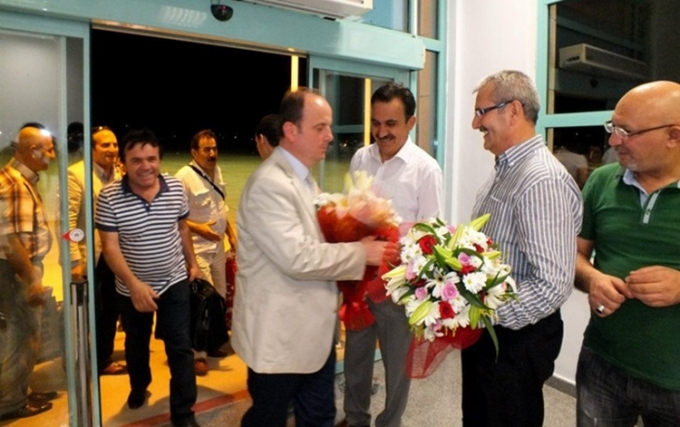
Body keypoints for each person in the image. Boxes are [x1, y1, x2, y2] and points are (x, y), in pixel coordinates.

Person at [232, 88, 389, 427]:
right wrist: (360, 252)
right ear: (291, 131)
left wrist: (356, 221)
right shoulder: (269, 184)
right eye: (320, 127)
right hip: (280, 340)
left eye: (329, 127)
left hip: (312, 337)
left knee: (318, 417)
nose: (330, 136)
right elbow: (297, 257)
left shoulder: (303, 180)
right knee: (268, 418)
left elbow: (319, 232)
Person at [463, 70, 582, 427]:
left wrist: (485, 313)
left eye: (481, 112)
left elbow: (552, 284)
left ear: (513, 110)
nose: (475, 123)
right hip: (491, 330)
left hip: (514, 340)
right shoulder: (506, 168)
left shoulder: (540, 179)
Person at [574, 81, 680, 427]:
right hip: (602, 363)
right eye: (613, 128)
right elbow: (575, 255)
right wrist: (593, 279)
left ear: (674, 135)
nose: (613, 141)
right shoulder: (602, 181)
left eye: (627, 132)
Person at [338, 83, 443, 427]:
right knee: (355, 360)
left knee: (398, 368)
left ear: (411, 122)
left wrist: (401, 248)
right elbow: (351, 210)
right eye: (375, 123)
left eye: (391, 124)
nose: (381, 132)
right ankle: (355, 418)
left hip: (398, 289)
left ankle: (389, 422)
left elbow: (431, 235)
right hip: (360, 281)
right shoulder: (360, 158)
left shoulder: (426, 169)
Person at [95, 128, 202, 427]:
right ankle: (139, 385)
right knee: (136, 343)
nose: (146, 166)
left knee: (180, 346)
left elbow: (182, 228)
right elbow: (110, 247)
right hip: (131, 286)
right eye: (137, 160)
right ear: (123, 163)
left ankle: (183, 413)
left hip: (174, 280)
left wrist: (193, 263)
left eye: (151, 159)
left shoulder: (176, 188)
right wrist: (134, 284)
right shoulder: (109, 197)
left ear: (159, 159)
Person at [0, 124, 57, 420]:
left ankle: (19, 389)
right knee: (23, 335)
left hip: (14, 270)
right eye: (49, 149)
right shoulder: (17, 185)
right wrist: (32, 279)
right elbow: (10, 241)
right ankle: (11, 402)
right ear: (33, 151)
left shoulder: (13, 178)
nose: (53, 155)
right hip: (16, 272)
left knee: (19, 334)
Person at [175, 129, 235, 376]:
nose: (212, 153)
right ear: (194, 152)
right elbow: (173, 216)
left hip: (218, 246)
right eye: (206, 149)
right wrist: (199, 228)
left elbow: (221, 207)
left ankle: (211, 343)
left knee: (218, 296)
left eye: (214, 148)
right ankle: (197, 353)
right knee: (201, 301)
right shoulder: (183, 177)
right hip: (196, 249)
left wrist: (232, 235)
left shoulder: (216, 171)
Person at [67, 125, 126, 376]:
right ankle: (75, 360)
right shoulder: (76, 174)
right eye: (105, 145)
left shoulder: (120, 174)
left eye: (114, 144)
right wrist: (74, 258)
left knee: (110, 308)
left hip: (116, 253)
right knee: (85, 311)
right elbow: (68, 222)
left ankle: (102, 358)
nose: (112, 149)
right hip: (90, 256)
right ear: (91, 149)